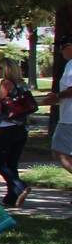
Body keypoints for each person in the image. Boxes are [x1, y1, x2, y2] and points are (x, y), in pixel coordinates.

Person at [0, 60, 31, 207]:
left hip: (8, 127)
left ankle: (21, 186)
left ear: (6, 69)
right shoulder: (22, 83)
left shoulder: (7, 83)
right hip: (22, 128)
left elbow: (0, 104)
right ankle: (12, 196)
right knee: (11, 163)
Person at [52, 38, 72, 176]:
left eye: (62, 48)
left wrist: (57, 96)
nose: (61, 52)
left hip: (69, 118)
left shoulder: (71, 64)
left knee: (60, 153)